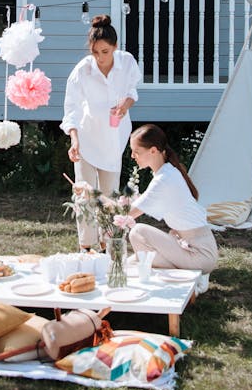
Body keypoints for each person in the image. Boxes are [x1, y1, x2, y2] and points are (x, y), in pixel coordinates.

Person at [61, 14, 141, 250]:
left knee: (110, 196)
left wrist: (125, 107)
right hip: (86, 137)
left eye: (105, 52)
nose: (100, 57)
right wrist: (74, 139)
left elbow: (132, 92)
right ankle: (86, 245)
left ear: (115, 48)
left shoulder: (126, 62)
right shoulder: (82, 71)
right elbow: (71, 108)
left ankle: (109, 243)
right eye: (95, 52)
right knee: (85, 194)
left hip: (113, 138)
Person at [126, 123, 218, 273]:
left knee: (138, 232)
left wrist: (93, 195)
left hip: (200, 256)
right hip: (192, 247)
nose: (132, 156)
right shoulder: (167, 172)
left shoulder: (164, 179)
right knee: (129, 262)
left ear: (153, 151)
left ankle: (191, 276)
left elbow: (128, 212)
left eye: (136, 151)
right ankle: (188, 274)